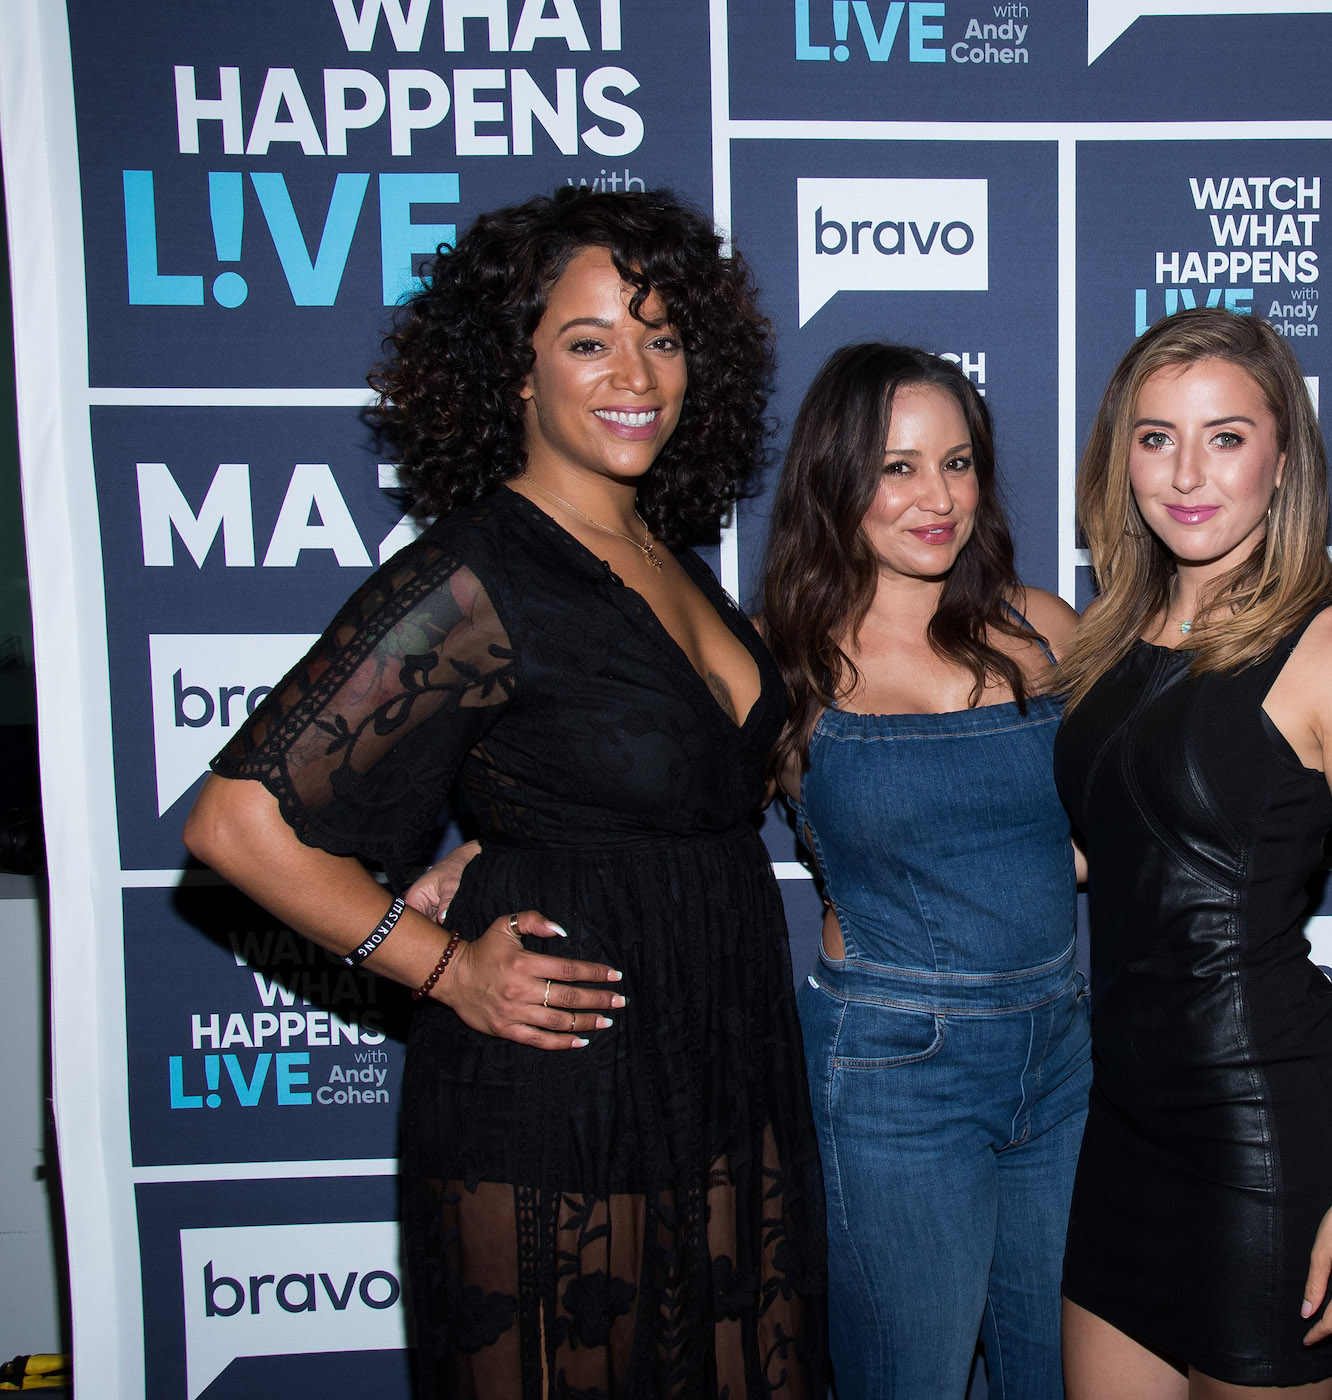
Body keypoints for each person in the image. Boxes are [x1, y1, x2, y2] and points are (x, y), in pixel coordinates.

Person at [182, 187, 828, 1399]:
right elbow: (238, 822)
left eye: (664, 336)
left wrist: (507, 830)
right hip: (563, 1093)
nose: (636, 370)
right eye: (589, 340)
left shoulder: (664, 556)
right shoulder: (474, 572)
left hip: (719, 1058)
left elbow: (627, 777)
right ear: (513, 372)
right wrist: (440, 965)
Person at [1054, 307, 1332, 1398]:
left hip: (1262, 1132)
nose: (1186, 472)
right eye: (1156, 434)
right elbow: (1116, 856)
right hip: (1119, 1123)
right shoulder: (1105, 641)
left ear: (1281, 455)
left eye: (1225, 435)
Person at [757, 343, 1091, 1400]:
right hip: (895, 1068)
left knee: (1057, 1376)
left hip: (1062, 1057)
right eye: (896, 467)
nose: (936, 497)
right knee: (910, 1379)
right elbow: (640, 793)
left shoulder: (1043, 626)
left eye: (957, 462)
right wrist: (489, 852)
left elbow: (1136, 802)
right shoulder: (780, 659)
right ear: (836, 479)